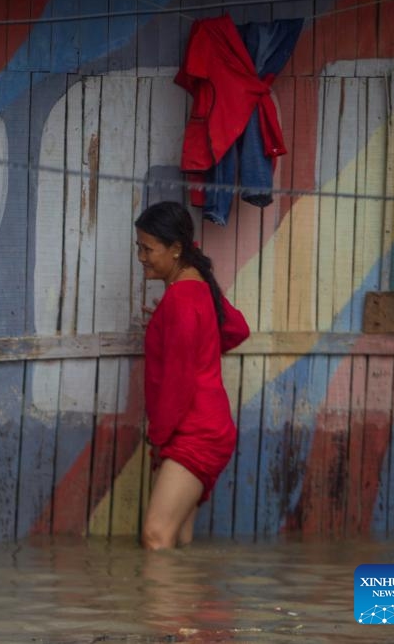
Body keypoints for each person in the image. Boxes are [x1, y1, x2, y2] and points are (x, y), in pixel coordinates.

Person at [134, 201, 250, 550]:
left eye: (147, 249)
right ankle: (186, 605)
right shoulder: (198, 285)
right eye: (138, 247)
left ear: (176, 249)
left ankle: (162, 607)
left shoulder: (181, 300)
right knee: (178, 540)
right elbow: (237, 328)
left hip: (194, 433)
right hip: (207, 428)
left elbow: (178, 383)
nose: (141, 256)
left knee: (155, 537)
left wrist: (158, 438)